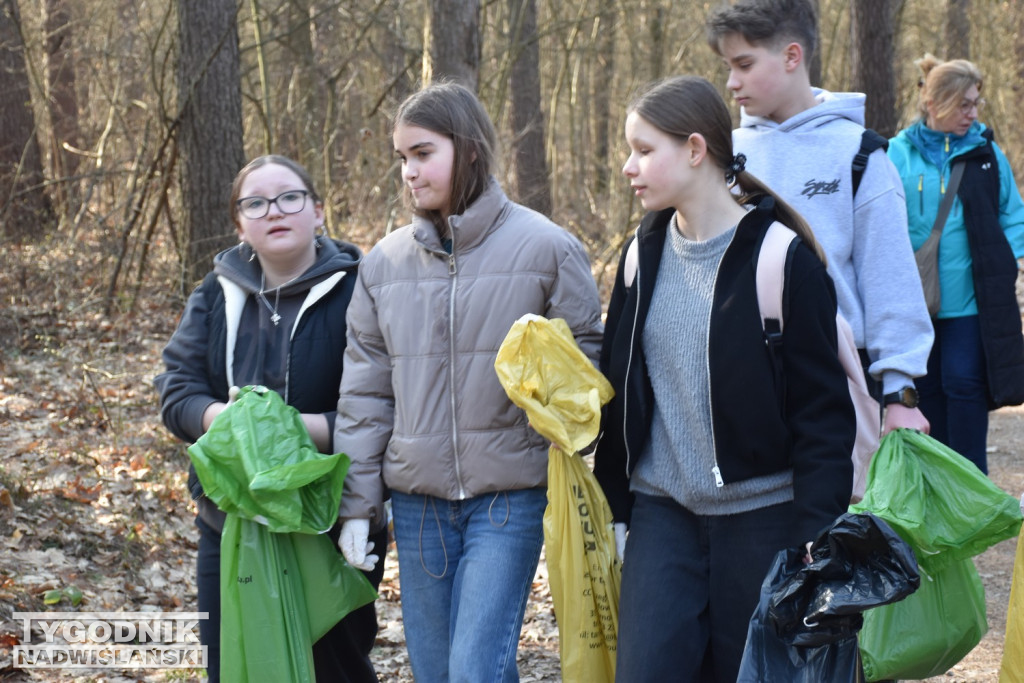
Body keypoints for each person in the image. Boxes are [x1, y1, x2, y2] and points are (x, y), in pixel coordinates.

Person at [333, 81, 604, 682]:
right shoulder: (382, 265)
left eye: (423, 153)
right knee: (436, 673)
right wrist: (359, 507)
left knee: (476, 669)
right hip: (418, 502)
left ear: (470, 148)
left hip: (510, 497)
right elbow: (365, 396)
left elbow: (586, 378)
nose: (408, 171)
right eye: (401, 157)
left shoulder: (548, 249)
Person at [593, 75, 856, 683]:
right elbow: (623, 383)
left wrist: (814, 536)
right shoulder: (642, 253)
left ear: (694, 149)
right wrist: (617, 503)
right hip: (664, 516)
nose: (629, 167)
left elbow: (823, 415)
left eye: (643, 150)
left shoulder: (781, 259)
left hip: (765, 520)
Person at [154, 155, 386, 682]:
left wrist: (289, 428)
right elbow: (176, 389)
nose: (274, 211)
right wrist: (225, 419)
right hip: (230, 522)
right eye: (255, 203)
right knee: (236, 666)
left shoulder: (362, 291)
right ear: (240, 224)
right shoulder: (215, 294)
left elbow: (384, 403)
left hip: (333, 519)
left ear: (319, 211)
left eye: (289, 198)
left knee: (336, 669)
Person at [707, 0, 934, 434]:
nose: (732, 82)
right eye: (727, 66)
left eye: (744, 64)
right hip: (739, 376)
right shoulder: (722, 155)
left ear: (792, 56)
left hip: (840, 381)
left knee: (839, 502)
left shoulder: (859, 153)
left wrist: (900, 393)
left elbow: (889, 277)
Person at [887, 55, 1024, 474]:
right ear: (935, 102)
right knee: (928, 395)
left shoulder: (986, 153)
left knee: (965, 384)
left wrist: (1006, 262)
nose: (974, 113)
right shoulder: (896, 154)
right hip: (915, 304)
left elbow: (1012, 214)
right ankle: (938, 488)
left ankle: (970, 485)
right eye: (965, 104)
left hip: (969, 301)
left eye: (976, 103)